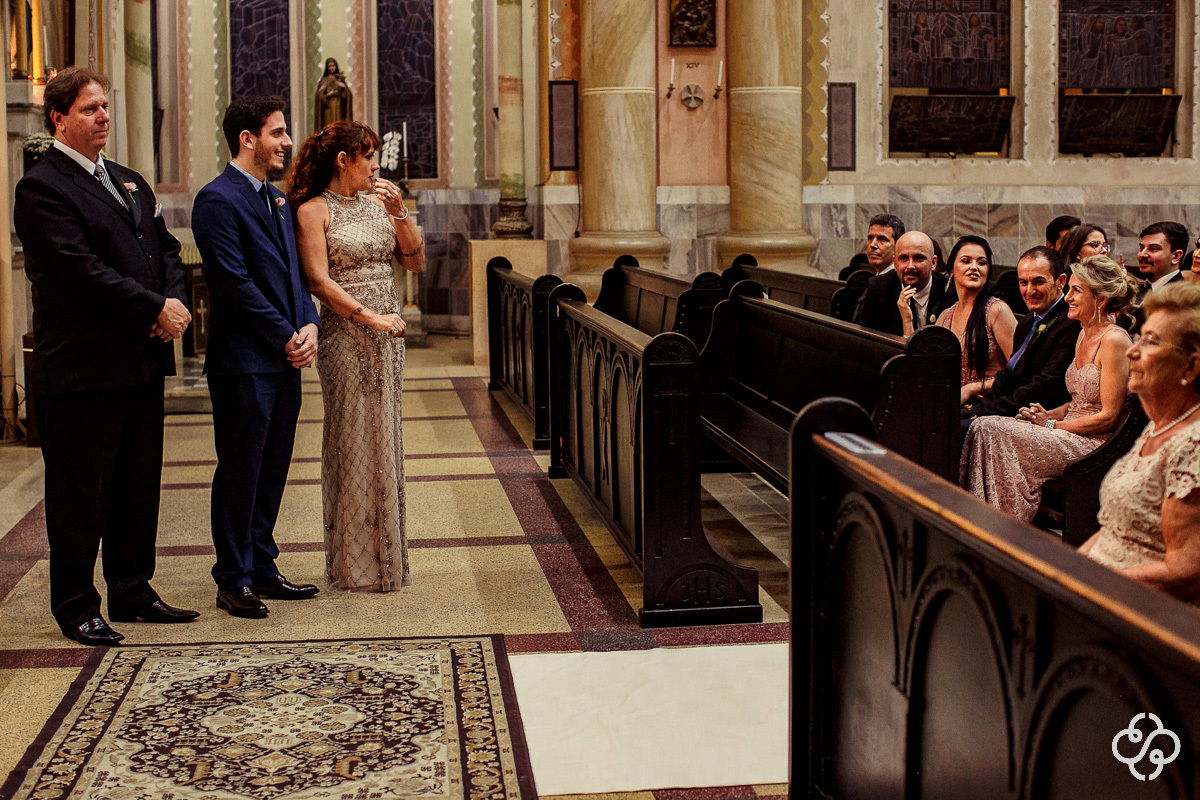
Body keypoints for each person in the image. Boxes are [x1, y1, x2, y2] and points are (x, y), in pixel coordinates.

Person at [14, 67, 198, 645]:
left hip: (138, 362)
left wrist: (172, 297)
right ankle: (74, 604)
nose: (103, 117)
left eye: (105, 107)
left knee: (136, 484)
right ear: (59, 118)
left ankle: (132, 589)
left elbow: (165, 248)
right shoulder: (42, 188)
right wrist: (153, 307)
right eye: (90, 109)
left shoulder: (128, 180)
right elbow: (79, 272)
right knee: (80, 493)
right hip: (81, 367)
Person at [192, 96, 323, 619]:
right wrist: (284, 335)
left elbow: (292, 276)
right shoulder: (216, 200)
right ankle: (234, 576)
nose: (286, 142)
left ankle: (263, 565)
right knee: (241, 469)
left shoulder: (277, 200)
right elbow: (233, 283)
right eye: (277, 133)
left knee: (273, 467)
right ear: (247, 139)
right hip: (244, 360)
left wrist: (309, 322)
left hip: (282, 357)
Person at [289, 121, 425, 591]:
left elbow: (414, 261)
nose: (375, 165)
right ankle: (355, 564)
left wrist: (400, 212)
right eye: (367, 156)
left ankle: (389, 559)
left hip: (390, 335)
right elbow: (318, 282)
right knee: (352, 436)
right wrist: (370, 318)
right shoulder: (312, 210)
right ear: (343, 161)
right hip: (347, 335)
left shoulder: (379, 203)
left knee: (386, 432)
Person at [962, 255, 1138, 523]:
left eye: (1076, 291)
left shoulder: (1114, 340)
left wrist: (1053, 427)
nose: (1068, 297)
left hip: (1094, 443)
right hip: (1069, 428)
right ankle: (983, 519)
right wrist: (1047, 416)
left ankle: (1008, 526)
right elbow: (1078, 400)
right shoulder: (1082, 333)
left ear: (1100, 299)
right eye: (1069, 290)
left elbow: (1109, 416)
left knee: (990, 428)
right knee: (980, 426)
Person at [1081, 283, 1200, 603]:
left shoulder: (1194, 446)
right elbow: (1115, 531)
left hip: (1142, 613)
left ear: (1191, 366)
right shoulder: (1159, 428)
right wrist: (1069, 568)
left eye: (1150, 341)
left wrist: (1086, 586)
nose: (1132, 351)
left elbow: (1186, 574)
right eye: (1140, 336)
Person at [963, 246, 1081, 429]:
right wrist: (978, 410)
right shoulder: (1026, 322)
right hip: (1005, 408)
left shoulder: (1071, 323)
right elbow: (1009, 376)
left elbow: (1045, 387)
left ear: (1061, 281)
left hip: (1038, 416)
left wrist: (984, 413)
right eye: (1023, 282)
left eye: (1038, 282)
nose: (1029, 290)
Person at [934, 236, 1018, 406]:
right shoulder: (944, 317)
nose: (974, 267)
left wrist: (971, 389)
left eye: (982, 262)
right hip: (952, 404)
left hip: (990, 405)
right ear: (951, 270)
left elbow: (1018, 372)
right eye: (966, 261)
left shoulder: (996, 310)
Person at [853, 230, 949, 337]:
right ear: (895, 263)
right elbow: (866, 340)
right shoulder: (878, 288)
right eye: (904, 258)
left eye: (918, 258)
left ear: (933, 262)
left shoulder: (949, 289)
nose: (910, 266)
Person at [1136, 221, 1188, 291]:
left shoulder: (1183, 297)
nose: (1142, 254)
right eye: (1141, 248)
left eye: (1153, 249)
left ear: (1176, 256)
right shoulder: (1135, 291)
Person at [314, 57, 354, 132]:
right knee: (329, 129)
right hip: (328, 110)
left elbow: (347, 96)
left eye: (333, 65)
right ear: (327, 67)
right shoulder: (324, 81)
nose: (331, 68)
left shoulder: (340, 79)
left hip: (339, 109)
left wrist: (343, 87)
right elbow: (319, 97)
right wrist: (329, 94)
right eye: (330, 66)